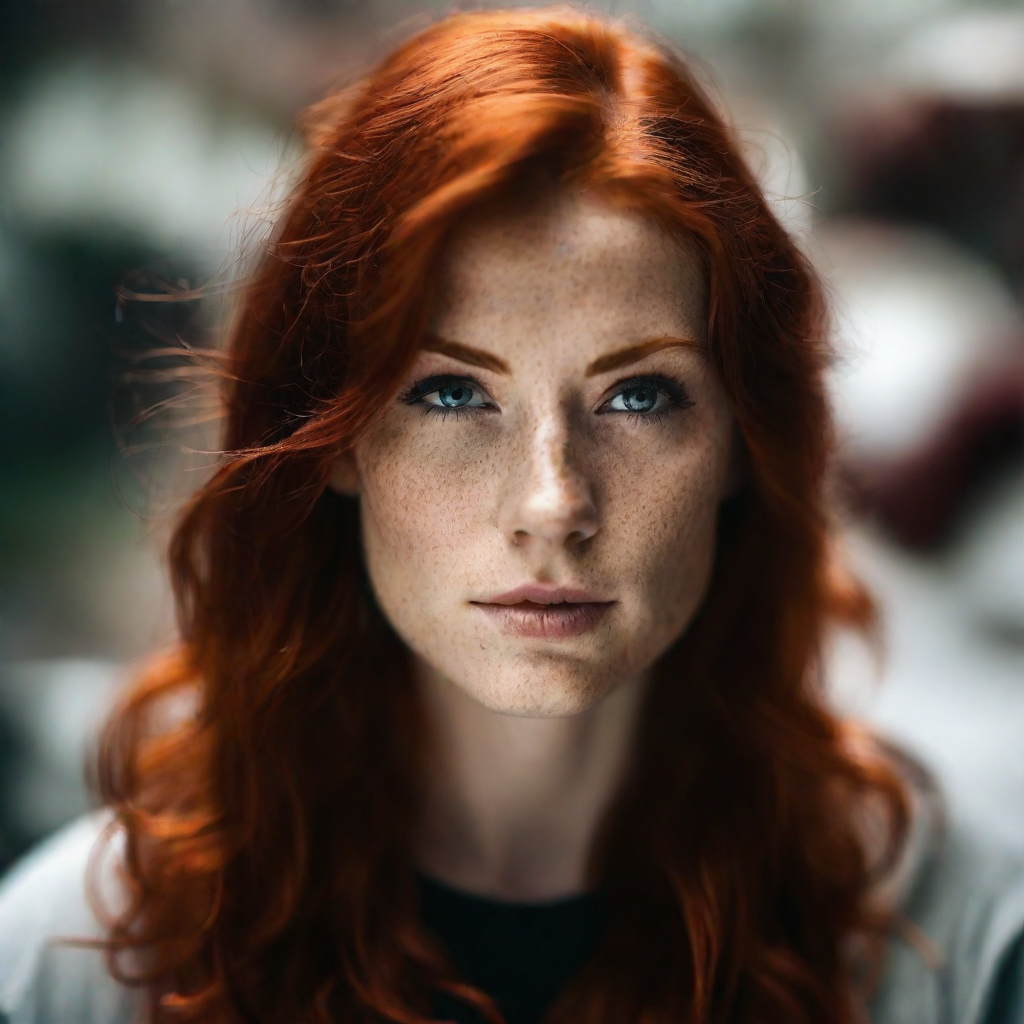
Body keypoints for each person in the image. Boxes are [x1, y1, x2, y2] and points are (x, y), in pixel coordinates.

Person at [1, 8, 1022, 1024]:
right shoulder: (84, 957)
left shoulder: (957, 950)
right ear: (331, 440)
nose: (552, 503)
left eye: (638, 395)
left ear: (742, 446)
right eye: (450, 393)